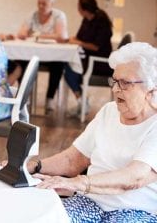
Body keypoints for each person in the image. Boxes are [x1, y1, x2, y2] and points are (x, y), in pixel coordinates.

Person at [27, 42, 157, 222]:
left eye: (125, 83)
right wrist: (33, 166)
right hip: (90, 201)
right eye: (115, 81)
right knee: (45, 218)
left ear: (151, 89)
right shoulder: (108, 112)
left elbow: (135, 176)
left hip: (136, 211)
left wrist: (80, 182)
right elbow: (73, 160)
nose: (115, 89)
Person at [9, 0, 68, 113]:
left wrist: (36, 34)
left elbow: (61, 36)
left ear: (52, 4)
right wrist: (48, 35)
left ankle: (50, 98)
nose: (41, 6)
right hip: (33, 54)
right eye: (39, 3)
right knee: (21, 61)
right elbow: (21, 34)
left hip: (52, 56)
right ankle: (25, 95)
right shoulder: (33, 15)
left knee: (59, 65)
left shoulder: (59, 15)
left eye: (44, 4)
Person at [64, 0, 113, 116]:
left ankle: (82, 102)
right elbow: (80, 37)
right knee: (66, 65)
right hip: (87, 58)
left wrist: (78, 42)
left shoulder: (102, 22)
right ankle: (82, 102)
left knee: (69, 70)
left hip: (99, 62)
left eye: (79, 7)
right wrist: (70, 39)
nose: (78, 9)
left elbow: (96, 47)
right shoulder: (86, 19)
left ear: (85, 9)